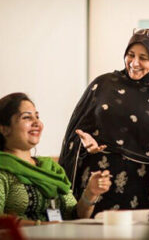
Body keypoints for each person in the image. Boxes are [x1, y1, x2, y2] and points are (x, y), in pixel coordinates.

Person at [58, 28, 149, 216]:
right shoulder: (104, 85)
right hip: (99, 185)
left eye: (144, 58)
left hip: (145, 192)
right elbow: (75, 133)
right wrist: (83, 144)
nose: (135, 63)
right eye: (130, 55)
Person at [0, 93, 111, 225]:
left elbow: (74, 216)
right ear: (4, 129)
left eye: (37, 116)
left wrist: (91, 193)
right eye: (27, 117)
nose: (37, 123)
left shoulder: (50, 168)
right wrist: (43, 227)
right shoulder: (3, 169)